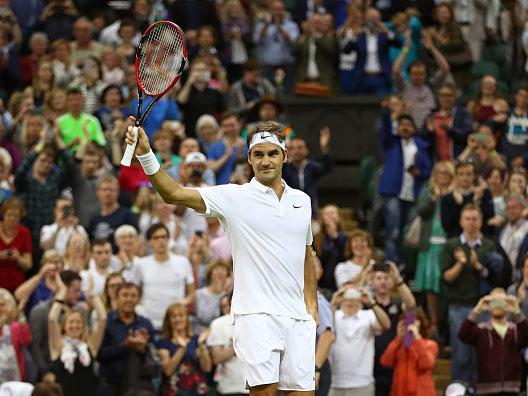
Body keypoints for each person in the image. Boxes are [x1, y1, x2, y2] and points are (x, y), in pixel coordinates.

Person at [124, 117, 319, 395]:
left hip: (297, 317)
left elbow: (306, 253)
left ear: (284, 156)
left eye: (272, 153)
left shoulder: (303, 201)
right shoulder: (233, 197)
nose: (266, 161)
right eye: (259, 155)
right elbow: (173, 193)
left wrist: (310, 304)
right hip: (255, 315)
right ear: (249, 158)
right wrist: (145, 152)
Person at [442, 204, 498, 384]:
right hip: (459, 306)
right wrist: (460, 264)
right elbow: (446, 277)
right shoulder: (452, 245)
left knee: (481, 356)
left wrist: (478, 266)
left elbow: (496, 276)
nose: (471, 223)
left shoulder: (489, 245)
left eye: (475, 219)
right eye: (468, 219)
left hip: (484, 308)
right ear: (461, 221)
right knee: (460, 356)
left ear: (481, 221)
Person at [378, 113, 432, 263]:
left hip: (413, 194)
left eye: (409, 124)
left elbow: (428, 170)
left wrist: (419, 173)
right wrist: (387, 113)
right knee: (393, 230)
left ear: (414, 129)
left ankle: (403, 264)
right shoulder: (391, 143)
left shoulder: (421, 146)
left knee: (407, 233)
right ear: (397, 128)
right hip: (393, 192)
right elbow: (385, 130)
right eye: (402, 125)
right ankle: (390, 263)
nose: (405, 127)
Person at [459, 288, 528, 395]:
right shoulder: (481, 330)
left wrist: (517, 312)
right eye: (494, 302)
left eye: (501, 302)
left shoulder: (516, 330)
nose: (498, 306)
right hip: (486, 388)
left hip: (512, 388)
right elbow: (463, 335)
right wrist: (478, 309)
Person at [47, 272, 106, 396]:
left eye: (79, 322)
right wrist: (62, 292)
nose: (75, 325)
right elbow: (52, 319)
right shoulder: (58, 345)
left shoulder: (90, 345)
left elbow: (103, 318)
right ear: (64, 326)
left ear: (84, 326)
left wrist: (92, 294)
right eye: (71, 322)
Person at [413, 161, 455, 332]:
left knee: (443, 287)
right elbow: (420, 211)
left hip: (448, 244)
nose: (443, 177)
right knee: (429, 285)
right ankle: (434, 322)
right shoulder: (428, 190)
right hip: (429, 244)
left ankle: (443, 326)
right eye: (440, 174)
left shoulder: (455, 193)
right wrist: (433, 198)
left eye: (447, 174)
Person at [329, 286, 391, 396]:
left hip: (362, 384)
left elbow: (386, 325)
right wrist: (333, 304)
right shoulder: (334, 314)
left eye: (355, 291)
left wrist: (371, 302)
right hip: (335, 383)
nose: (350, 295)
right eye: (346, 291)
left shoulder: (368, 315)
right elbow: (328, 335)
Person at [97, 282, 157, 396]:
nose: (129, 299)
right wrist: (125, 346)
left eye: (133, 296)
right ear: (117, 298)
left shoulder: (146, 324)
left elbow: (155, 357)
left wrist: (143, 349)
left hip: (138, 387)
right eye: (125, 295)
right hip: (109, 385)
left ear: (139, 299)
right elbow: (99, 354)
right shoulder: (106, 322)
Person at [132, 223, 195, 330]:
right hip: (148, 322)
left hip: (175, 323)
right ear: (149, 242)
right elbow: (135, 293)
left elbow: (192, 293)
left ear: (168, 239)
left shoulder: (183, 262)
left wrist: (182, 303)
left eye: (164, 237)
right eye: (156, 238)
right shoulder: (141, 264)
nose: (161, 241)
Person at [29, 270, 83, 382]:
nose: (79, 295)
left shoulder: (79, 311)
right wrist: (45, 372)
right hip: (50, 371)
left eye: (80, 291)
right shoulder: (40, 312)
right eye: (75, 291)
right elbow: (35, 345)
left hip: (76, 371)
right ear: (62, 288)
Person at [380, 308, 438, 396]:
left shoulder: (430, 344)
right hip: (400, 391)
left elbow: (426, 364)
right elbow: (385, 362)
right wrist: (398, 338)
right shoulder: (398, 345)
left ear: (420, 324)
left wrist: (417, 338)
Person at [157, 303, 212, 396]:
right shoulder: (163, 343)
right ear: (168, 321)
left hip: (198, 390)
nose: (178, 319)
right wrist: (182, 349)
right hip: (174, 391)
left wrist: (201, 345)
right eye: (174, 316)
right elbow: (168, 371)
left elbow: (207, 368)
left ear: (187, 318)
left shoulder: (196, 340)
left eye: (181, 316)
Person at [283, 127, 333, 220]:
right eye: (292, 148)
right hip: (289, 213)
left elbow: (327, 167)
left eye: (300, 148)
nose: (296, 151)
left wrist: (324, 148)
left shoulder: (311, 166)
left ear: (306, 150)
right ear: (288, 151)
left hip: (311, 213)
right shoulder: (285, 168)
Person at [207, 292, 249, 396]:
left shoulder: (260, 322)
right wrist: (240, 341)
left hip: (260, 387)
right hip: (230, 388)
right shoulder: (219, 324)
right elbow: (217, 358)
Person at [87, 175, 139, 250]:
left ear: (118, 192)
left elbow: (137, 242)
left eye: (111, 190)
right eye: (105, 189)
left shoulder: (127, 215)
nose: (108, 193)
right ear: (98, 193)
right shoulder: (94, 220)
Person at [15, 250, 63, 315]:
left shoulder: (66, 283)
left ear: (62, 265)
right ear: (43, 265)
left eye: (56, 262)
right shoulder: (36, 283)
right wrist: (40, 274)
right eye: (50, 262)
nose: (53, 266)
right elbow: (18, 295)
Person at [57, 87, 106, 152]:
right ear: (66, 102)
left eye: (78, 99)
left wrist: (87, 143)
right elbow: (58, 147)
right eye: (71, 100)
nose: (75, 103)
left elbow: (101, 142)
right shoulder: (59, 121)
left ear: (83, 101)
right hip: (69, 155)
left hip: (90, 154)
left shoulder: (93, 120)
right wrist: (71, 144)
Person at [0, 197, 32, 292]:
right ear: (3, 214)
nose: (12, 219)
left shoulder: (24, 233)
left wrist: (18, 257)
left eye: (16, 216)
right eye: (9, 215)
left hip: (17, 285)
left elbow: (28, 265)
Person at [315, 204, 348, 295]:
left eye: (332, 212)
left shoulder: (345, 237)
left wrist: (335, 236)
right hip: (321, 280)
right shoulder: (316, 238)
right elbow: (312, 253)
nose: (329, 215)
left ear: (338, 216)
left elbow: (346, 255)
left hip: (339, 279)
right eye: (326, 213)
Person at [0, 288, 32, 383]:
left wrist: (21, 314)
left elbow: (27, 340)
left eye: (2, 305)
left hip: (15, 380)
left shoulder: (15, 327)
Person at [207, 111, 247, 185]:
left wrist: (240, 159)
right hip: (220, 189)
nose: (230, 129)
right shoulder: (215, 147)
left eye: (232, 125)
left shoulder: (247, 145)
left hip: (242, 188)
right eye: (226, 126)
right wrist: (226, 156)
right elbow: (210, 170)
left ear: (239, 124)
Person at [194, 259, 231, 334]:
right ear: (210, 273)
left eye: (223, 269)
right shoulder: (200, 294)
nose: (220, 272)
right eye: (216, 269)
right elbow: (205, 318)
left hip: (222, 333)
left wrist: (222, 293)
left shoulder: (228, 296)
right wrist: (218, 294)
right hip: (202, 334)